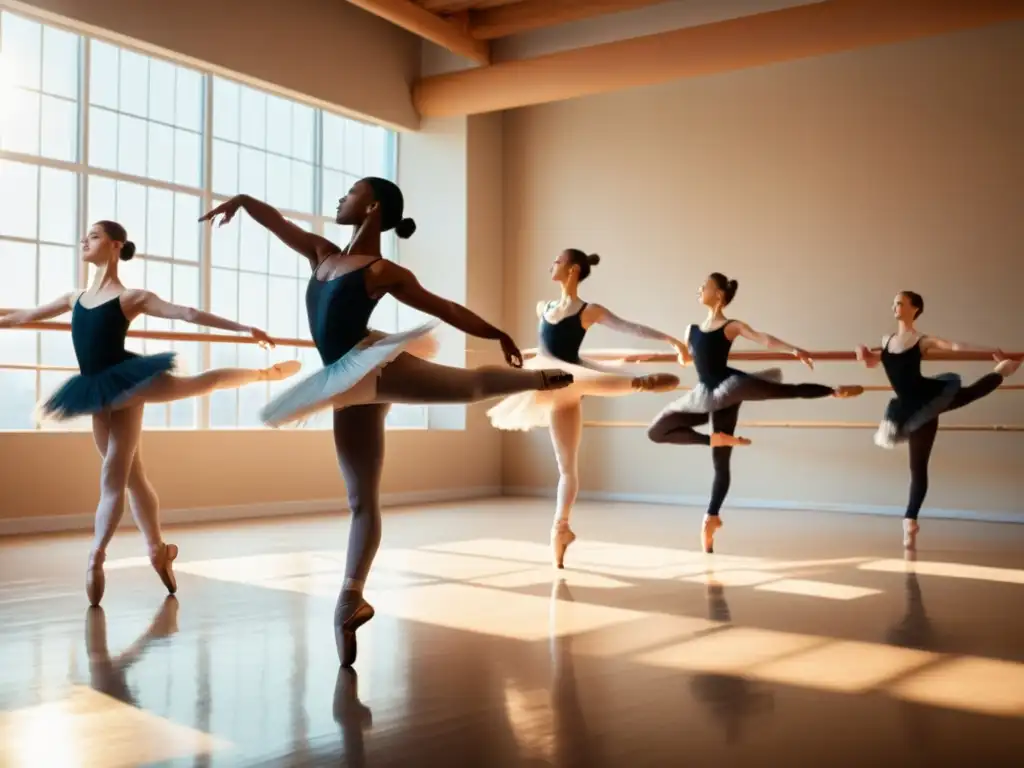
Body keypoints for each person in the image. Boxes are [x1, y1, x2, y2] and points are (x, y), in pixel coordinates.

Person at [200, 178, 572, 667]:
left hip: (373, 362)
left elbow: (445, 308)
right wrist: (245, 202)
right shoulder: (321, 253)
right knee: (360, 499)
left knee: (468, 387)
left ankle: (539, 379)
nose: (340, 199)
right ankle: (350, 599)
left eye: (350, 192)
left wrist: (497, 331)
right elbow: (279, 225)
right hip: (343, 381)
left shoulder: (383, 271)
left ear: (372, 206)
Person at [0, 221, 300, 606]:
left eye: (92, 236)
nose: (83, 241)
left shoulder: (132, 297)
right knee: (133, 477)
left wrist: (243, 328)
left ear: (115, 245)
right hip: (95, 390)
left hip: (130, 382)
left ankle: (96, 557)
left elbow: (186, 313)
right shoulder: (73, 297)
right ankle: (159, 550)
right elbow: (24, 316)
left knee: (129, 457)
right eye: (84, 237)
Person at [486, 248, 684, 568]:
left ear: (573, 269)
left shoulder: (588, 310)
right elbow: (540, 348)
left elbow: (630, 328)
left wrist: (673, 341)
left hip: (572, 378)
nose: (552, 264)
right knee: (565, 462)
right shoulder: (543, 307)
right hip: (549, 379)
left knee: (577, 401)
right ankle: (560, 529)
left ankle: (640, 383)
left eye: (558, 261)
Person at [647, 272, 863, 553]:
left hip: (730, 386)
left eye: (706, 286)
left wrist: (794, 349)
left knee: (784, 392)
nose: (699, 288)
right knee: (670, 438)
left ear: (719, 295)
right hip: (705, 393)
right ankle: (712, 502)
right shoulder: (691, 330)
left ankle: (833, 389)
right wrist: (678, 350)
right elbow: (689, 360)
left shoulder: (730, 326)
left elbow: (764, 339)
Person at [856, 290, 1019, 549]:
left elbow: (954, 347)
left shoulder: (921, 340)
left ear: (915, 309)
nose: (894, 306)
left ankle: (909, 518)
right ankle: (911, 522)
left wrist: (990, 351)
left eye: (900, 303)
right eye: (893, 303)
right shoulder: (886, 340)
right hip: (908, 407)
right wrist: (864, 354)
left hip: (927, 398)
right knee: (916, 467)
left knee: (967, 396)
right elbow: (875, 362)